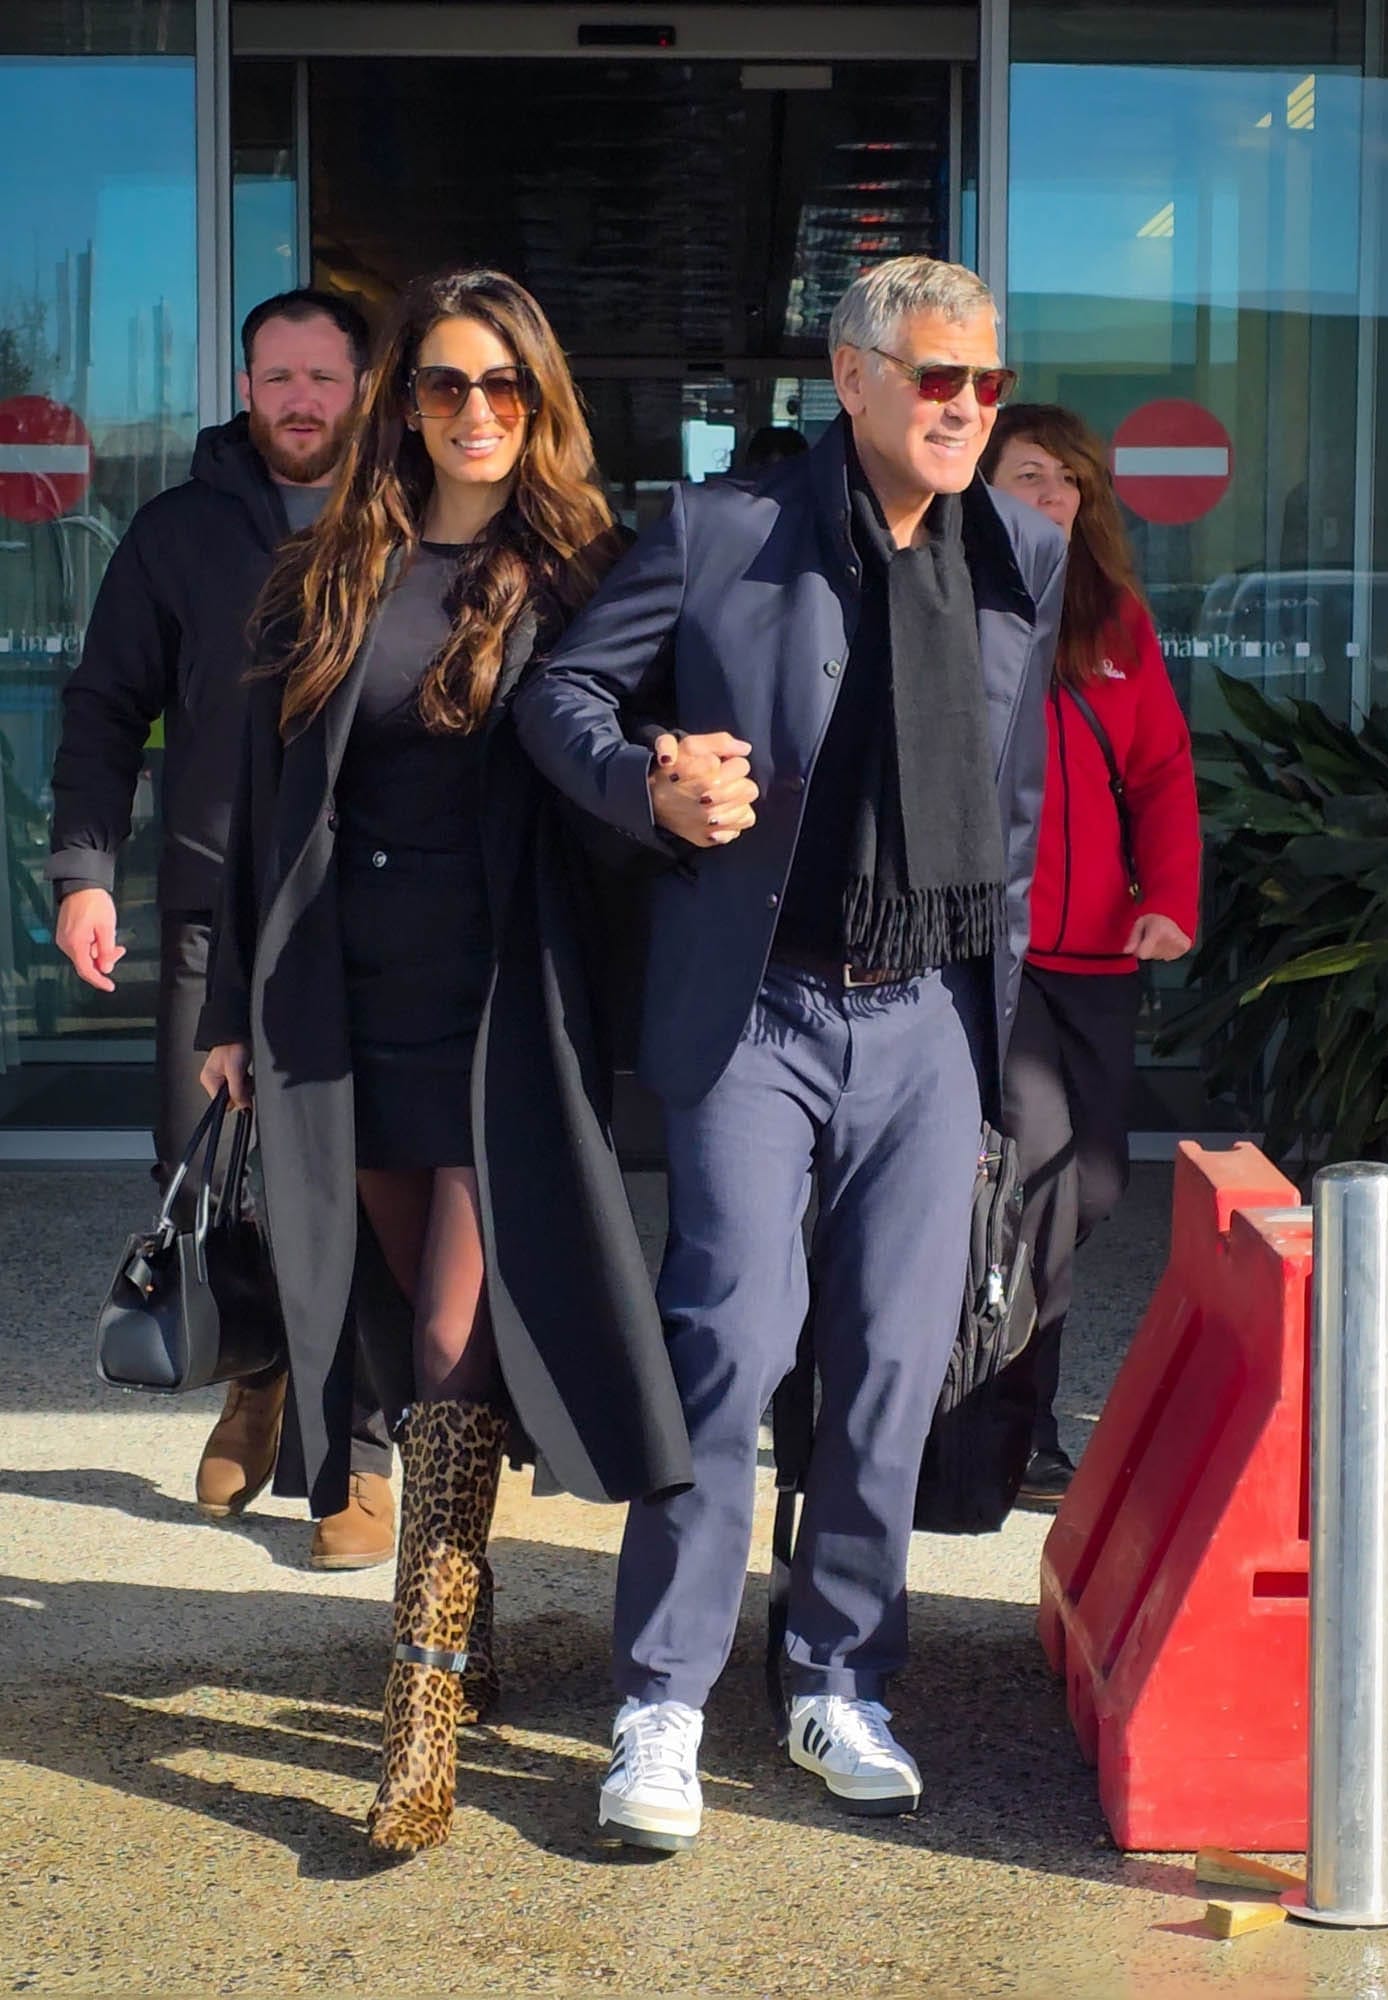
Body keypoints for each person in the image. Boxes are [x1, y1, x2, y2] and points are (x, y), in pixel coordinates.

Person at [516, 254, 1066, 1852]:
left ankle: (836, 1672)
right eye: (937, 377)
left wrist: (996, 1027)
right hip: (758, 1004)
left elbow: (1014, 799)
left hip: (927, 1012)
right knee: (732, 1343)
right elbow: (562, 694)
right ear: (853, 376)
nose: (966, 406)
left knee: (893, 1364)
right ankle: (663, 1699)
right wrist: (650, 783)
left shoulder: (1022, 548)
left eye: (986, 382)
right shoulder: (723, 532)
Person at [195, 267, 691, 1858]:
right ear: (400, 402)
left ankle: (417, 1712)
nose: (475, 412)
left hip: (505, 1012)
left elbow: (630, 777)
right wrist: (224, 1010)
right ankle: (463, 1635)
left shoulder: (592, 574)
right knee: (405, 1328)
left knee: (454, 1342)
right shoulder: (325, 570)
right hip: (346, 1008)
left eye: (503, 386)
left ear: (541, 404)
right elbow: (249, 806)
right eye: (443, 384)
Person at [47, 289, 399, 1570]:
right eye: (277, 377)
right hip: (210, 904)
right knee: (196, 1162)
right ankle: (256, 1372)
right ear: (245, 388)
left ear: (361, 386)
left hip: (365, 904)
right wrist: (85, 870)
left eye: (323, 376)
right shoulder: (179, 530)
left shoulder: (403, 520)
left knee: (357, 1180)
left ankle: (356, 1452)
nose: (301, 400)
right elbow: (104, 704)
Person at [983, 404, 1201, 1506]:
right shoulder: (952, 601)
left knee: (1094, 1184)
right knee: (1037, 1175)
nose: (1054, 495)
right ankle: (1013, 1429)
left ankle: (990, 1397)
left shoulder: (1111, 618)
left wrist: (1168, 898)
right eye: (1029, 474)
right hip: (993, 951)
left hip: (1100, 952)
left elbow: (1159, 770)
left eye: (1068, 479)